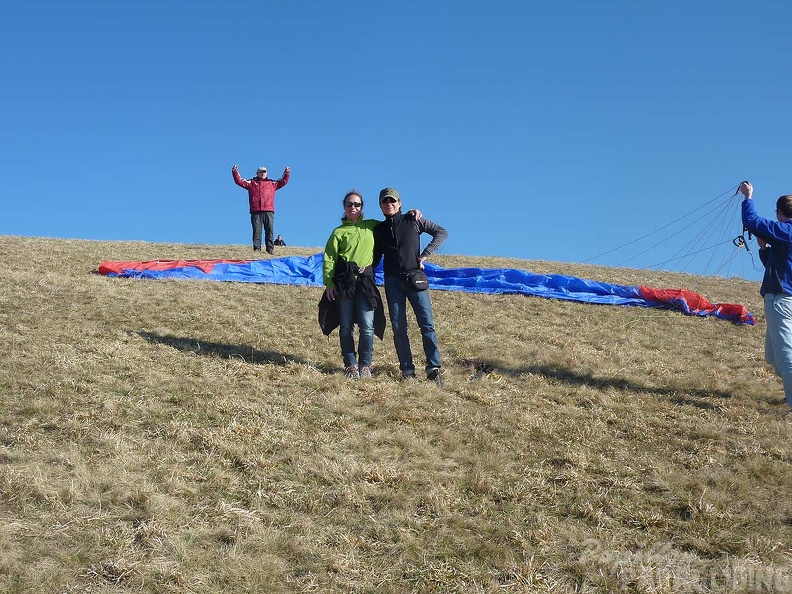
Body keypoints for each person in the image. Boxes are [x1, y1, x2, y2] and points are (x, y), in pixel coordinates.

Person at [373, 187, 448, 385]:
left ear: (399, 203)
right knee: (399, 328)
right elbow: (374, 257)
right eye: (385, 201)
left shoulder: (413, 220)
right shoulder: (378, 230)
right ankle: (407, 370)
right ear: (380, 205)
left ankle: (434, 368)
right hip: (393, 282)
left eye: (392, 201)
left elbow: (441, 232)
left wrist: (425, 255)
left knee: (427, 324)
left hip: (416, 279)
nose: (389, 204)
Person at [322, 190, 386, 379]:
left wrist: (412, 215)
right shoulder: (338, 232)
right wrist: (329, 283)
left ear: (362, 207)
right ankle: (350, 364)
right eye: (349, 204)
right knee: (346, 326)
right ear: (344, 206)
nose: (353, 207)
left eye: (357, 204)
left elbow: (393, 225)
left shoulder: (372, 226)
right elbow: (329, 259)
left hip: (365, 283)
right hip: (344, 284)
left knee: (367, 325)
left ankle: (365, 365)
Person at [740, 180, 792, 414]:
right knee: (772, 356)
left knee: (785, 358)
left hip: (781, 301)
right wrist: (763, 250)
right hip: (783, 298)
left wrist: (748, 197)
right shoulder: (784, 239)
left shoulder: (786, 231)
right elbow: (779, 265)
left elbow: (752, 222)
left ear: (780, 212)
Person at [231, 164, 290, 253]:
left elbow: (283, 181)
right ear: (257, 173)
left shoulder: (272, 183)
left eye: (264, 172)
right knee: (257, 231)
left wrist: (287, 173)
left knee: (269, 230)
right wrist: (235, 172)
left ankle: (270, 249)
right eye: (261, 172)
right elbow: (239, 181)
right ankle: (257, 249)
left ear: (266, 173)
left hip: (268, 210)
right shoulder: (251, 183)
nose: (262, 174)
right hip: (256, 211)